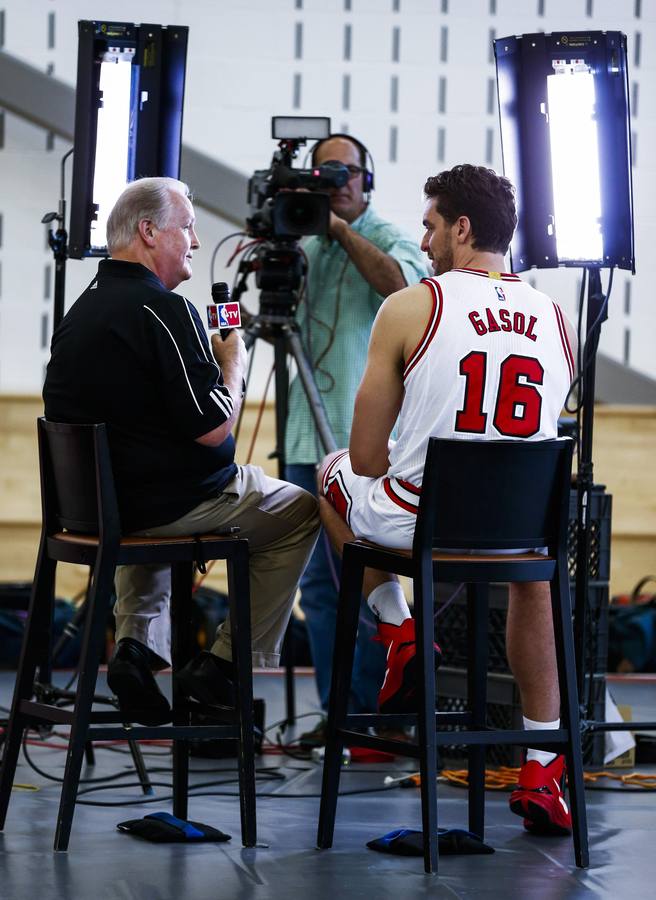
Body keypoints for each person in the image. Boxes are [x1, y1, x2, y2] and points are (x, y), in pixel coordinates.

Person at [317, 164, 578, 836]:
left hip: (423, 524)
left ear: (462, 228)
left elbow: (368, 458)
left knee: (331, 473)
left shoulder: (411, 304)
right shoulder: (558, 317)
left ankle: (401, 628)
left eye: (431, 226)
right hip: (519, 532)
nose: (425, 241)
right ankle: (545, 762)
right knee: (532, 579)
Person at [43, 176, 319, 726]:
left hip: (100, 513)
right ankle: (225, 665)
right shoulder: (167, 312)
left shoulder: (79, 314)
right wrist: (232, 360)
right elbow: (215, 430)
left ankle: (137, 647)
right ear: (148, 232)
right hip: (169, 506)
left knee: (148, 509)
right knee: (302, 512)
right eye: (187, 227)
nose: (195, 242)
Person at [284, 133, 428, 738]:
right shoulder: (302, 245)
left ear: (366, 178)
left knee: (371, 574)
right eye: (323, 172)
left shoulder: (390, 235)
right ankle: (338, 714)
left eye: (344, 171)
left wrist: (342, 231)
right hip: (302, 433)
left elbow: (402, 289)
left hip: (364, 440)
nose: (335, 181)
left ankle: (382, 717)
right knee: (318, 587)